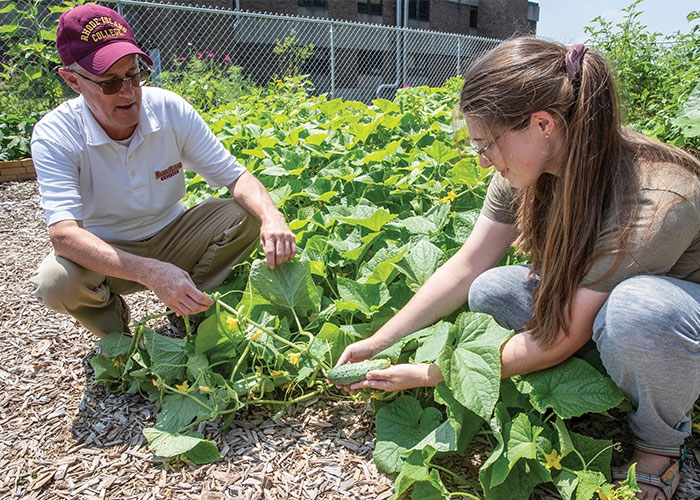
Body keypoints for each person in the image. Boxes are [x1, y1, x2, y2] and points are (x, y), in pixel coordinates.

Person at [334, 37, 699, 500]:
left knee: (637, 311)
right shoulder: (529, 165)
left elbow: (556, 337)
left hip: (676, 325)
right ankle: (598, 385)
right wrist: (380, 340)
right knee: (491, 289)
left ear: (542, 124)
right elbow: (467, 265)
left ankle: (660, 444)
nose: (482, 159)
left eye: (486, 144)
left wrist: (428, 372)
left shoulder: (658, 196)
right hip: (598, 310)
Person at [30, 4, 297, 338]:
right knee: (55, 282)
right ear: (73, 81)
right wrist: (151, 272)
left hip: (174, 234)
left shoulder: (168, 109)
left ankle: (188, 310)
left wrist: (273, 217)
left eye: (133, 74)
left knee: (247, 213)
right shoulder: (56, 133)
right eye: (111, 83)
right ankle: (118, 342)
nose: (128, 91)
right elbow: (64, 235)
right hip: (107, 249)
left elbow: (235, 177)